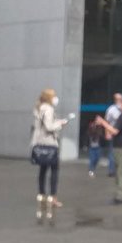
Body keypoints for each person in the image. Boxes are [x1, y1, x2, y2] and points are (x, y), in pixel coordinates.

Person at [30, 88, 70, 217]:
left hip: (39, 142)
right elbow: (49, 126)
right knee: (54, 170)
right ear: (49, 98)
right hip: (50, 143)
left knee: (42, 170)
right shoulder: (48, 109)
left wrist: (57, 122)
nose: (55, 98)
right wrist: (60, 124)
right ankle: (53, 197)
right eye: (54, 96)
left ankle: (41, 194)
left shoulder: (38, 109)